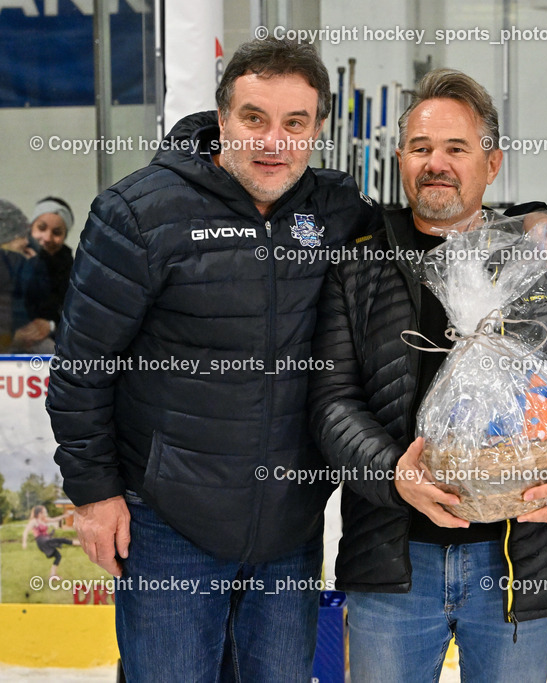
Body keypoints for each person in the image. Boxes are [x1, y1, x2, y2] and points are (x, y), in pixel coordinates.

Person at [45, 38, 382, 681]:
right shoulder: (138, 213)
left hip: (288, 528)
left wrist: (535, 223)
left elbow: (433, 231)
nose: (273, 142)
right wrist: (93, 495)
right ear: (223, 117)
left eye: (295, 123)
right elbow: (81, 368)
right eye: (254, 118)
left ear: (318, 130)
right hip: (168, 521)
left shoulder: (338, 210)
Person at [308, 68, 547, 683]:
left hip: (519, 563)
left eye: (456, 148)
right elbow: (332, 401)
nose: (437, 164)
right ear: (400, 160)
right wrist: (393, 474)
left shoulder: (540, 260)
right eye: (421, 148)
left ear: (493, 163)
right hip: (392, 561)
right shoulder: (358, 265)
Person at [0, 199, 48, 352]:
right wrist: (12, 339)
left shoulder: (20, 264)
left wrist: (46, 325)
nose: (26, 241)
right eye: (20, 235)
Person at [28, 196, 75, 328]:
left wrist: (50, 326)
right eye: (41, 228)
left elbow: (73, 316)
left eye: (57, 232)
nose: (47, 238)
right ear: (30, 228)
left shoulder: (71, 272)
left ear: (64, 236)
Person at [22, 505, 80, 579]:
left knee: (58, 556)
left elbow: (55, 519)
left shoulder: (44, 520)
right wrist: (24, 542)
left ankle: (52, 575)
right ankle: (79, 543)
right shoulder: (34, 521)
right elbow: (26, 531)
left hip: (46, 540)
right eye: (45, 512)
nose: (46, 513)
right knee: (62, 540)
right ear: (40, 513)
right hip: (42, 541)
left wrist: (64, 516)